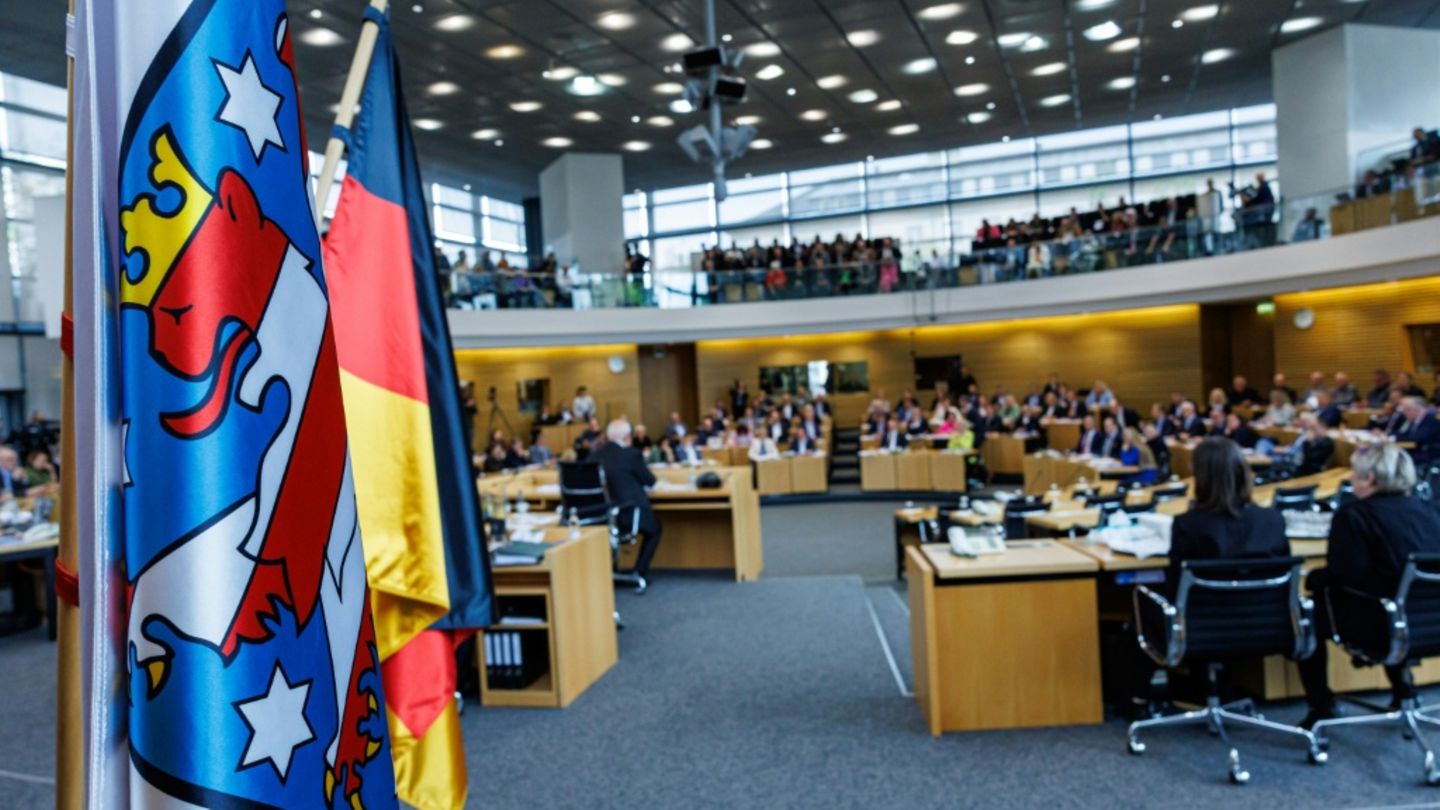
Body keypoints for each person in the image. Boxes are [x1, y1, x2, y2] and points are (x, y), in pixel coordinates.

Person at [1124, 438, 1289, 716]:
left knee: (1141, 605)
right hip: (1263, 626)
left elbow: (1177, 589)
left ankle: (1137, 699)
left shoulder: (1189, 525)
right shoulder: (1271, 520)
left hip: (1200, 629)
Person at [1298, 443, 1440, 728]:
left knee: (1307, 613)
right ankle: (1404, 690)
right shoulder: (1430, 510)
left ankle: (1322, 705)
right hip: (1432, 621)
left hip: (1380, 622)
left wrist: (1315, 577)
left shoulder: (1353, 516)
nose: (1350, 479)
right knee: (1394, 595)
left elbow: (1345, 575)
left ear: (1370, 479)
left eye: (1355, 474)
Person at [590, 420, 660, 589]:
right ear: (627, 438)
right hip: (628, 514)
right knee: (655, 528)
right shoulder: (631, 455)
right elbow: (649, 481)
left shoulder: (594, 456)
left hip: (600, 516)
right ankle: (639, 572)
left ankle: (609, 571)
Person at [1395, 396, 1440, 467]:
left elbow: (1418, 437)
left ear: (1414, 410)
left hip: (1428, 453)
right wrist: (1392, 437)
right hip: (1416, 450)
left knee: (1398, 460)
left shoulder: (1430, 419)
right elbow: (1402, 434)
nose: (1404, 414)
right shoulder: (1414, 421)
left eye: (1406, 410)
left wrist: (1397, 438)